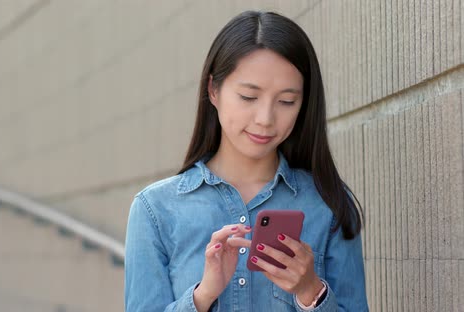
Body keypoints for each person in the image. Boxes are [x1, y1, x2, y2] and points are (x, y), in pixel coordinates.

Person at [124, 10, 368, 312]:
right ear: (213, 90)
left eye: (287, 101)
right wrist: (203, 296)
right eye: (249, 97)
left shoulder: (327, 204)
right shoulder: (156, 210)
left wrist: (310, 291)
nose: (265, 119)